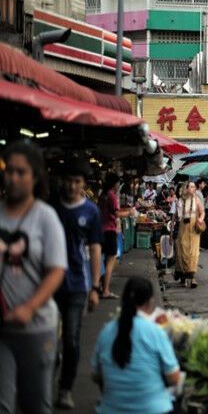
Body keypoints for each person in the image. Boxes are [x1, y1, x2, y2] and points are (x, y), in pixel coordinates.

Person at [0, 141, 67, 414]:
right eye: (9, 171)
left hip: (37, 327)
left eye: (21, 172)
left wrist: (28, 308)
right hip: (2, 328)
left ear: (36, 176)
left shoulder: (46, 217)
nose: (13, 178)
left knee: (35, 404)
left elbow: (56, 271)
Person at [53, 157, 103, 410]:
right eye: (69, 181)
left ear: (83, 184)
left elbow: (95, 250)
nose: (72, 186)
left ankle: (65, 388)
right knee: (48, 339)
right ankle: (48, 371)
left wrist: (95, 287)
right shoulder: (51, 208)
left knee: (71, 338)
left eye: (77, 182)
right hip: (48, 286)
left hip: (76, 285)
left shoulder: (91, 212)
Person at [92, 277, 180, 414]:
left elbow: (96, 376)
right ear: (150, 302)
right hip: (154, 409)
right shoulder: (155, 332)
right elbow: (174, 378)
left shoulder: (106, 332)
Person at [99, 172, 131, 299]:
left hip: (101, 230)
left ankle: (101, 287)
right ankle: (105, 290)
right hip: (110, 231)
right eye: (118, 183)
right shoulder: (112, 196)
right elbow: (117, 214)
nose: (119, 185)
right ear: (114, 183)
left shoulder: (102, 195)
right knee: (110, 261)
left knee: (105, 260)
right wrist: (130, 212)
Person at [173, 181, 205, 288]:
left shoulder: (197, 200)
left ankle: (192, 277)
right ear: (186, 188)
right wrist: (171, 232)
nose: (192, 188)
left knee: (193, 252)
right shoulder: (180, 201)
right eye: (190, 187)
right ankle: (183, 274)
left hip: (193, 227)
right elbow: (175, 216)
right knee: (182, 251)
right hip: (183, 227)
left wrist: (200, 219)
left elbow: (202, 212)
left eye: (193, 187)